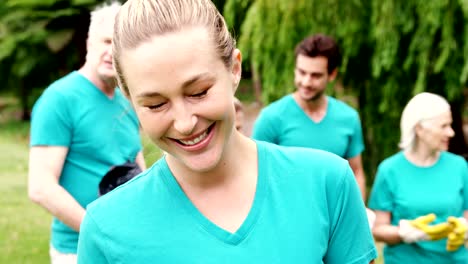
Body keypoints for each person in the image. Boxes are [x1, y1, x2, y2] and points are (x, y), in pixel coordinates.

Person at [76, 0, 377, 263]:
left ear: (234, 69)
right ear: (129, 98)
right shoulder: (106, 227)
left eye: (199, 92)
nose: (184, 123)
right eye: (155, 105)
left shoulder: (327, 183)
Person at [28, 2, 146, 263]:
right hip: (78, 249)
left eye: (119, 45)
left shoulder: (128, 101)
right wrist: (99, 233)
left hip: (126, 243)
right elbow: (41, 187)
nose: (111, 52)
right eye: (105, 41)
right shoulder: (59, 98)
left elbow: (137, 166)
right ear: (89, 42)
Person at [251, 34, 367, 199]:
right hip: (287, 217)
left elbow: (356, 172)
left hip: (335, 217)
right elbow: (254, 176)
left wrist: (358, 216)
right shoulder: (271, 118)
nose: (306, 82)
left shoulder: (349, 118)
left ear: (332, 74)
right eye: (301, 72)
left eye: (315, 75)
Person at [368, 92, 468, 263]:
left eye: (450, 125)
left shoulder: (459, 166)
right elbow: (378, 230)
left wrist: (464, 229)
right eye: (443, 126)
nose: (451, 132)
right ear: (419, 128)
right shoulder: (390, 170)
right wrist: (404, 232)